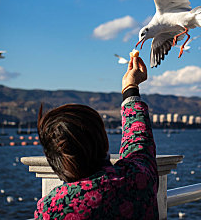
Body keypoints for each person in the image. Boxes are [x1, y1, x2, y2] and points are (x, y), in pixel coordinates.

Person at [35, 56, 159, 219]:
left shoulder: (53, 208)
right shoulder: (138, 177)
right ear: (103, 142)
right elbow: (138, 139)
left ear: (54, 159)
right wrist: (130, 86)